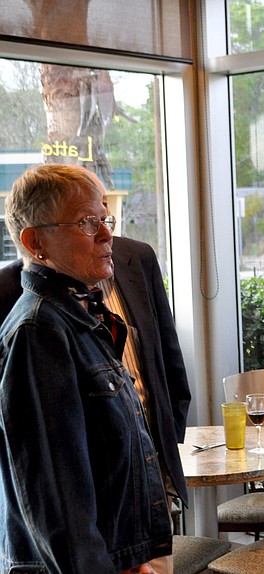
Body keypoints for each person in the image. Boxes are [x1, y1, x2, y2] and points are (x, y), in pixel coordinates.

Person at [0, 174, 191, 573]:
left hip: (131, 548)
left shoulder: (81, 314)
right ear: (36, 243)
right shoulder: (39, 331)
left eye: (106, 219)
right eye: (87, 222)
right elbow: (59, 501)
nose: (106, 235)